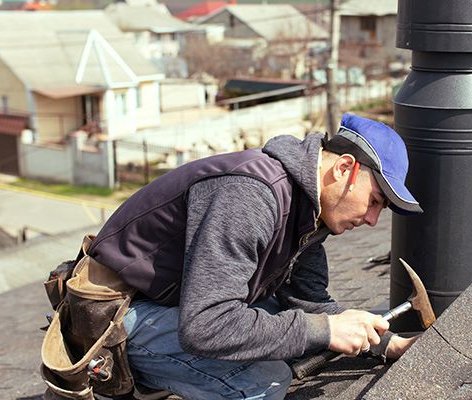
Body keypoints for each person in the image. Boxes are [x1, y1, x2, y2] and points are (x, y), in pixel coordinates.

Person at [86, 113, 423, 399]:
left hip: (178, 307)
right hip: (117, 318)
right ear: (344, 168)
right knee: (263, 381)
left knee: (294, 331)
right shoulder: (251, 196)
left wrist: (387, 343)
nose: (372, 220)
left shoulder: (308, 211)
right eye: (375, 200)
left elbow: (307, 304)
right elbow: (206, 326)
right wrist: (323, 330)